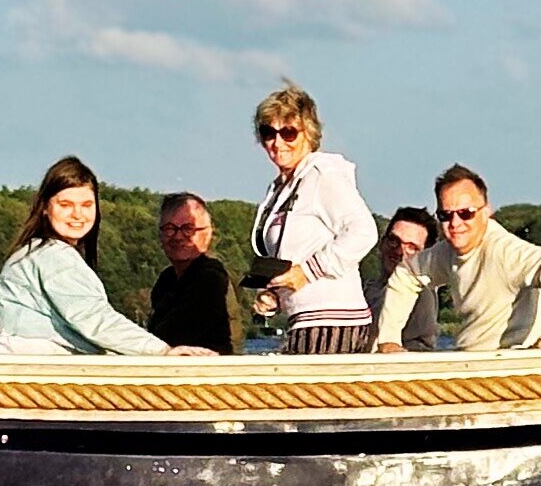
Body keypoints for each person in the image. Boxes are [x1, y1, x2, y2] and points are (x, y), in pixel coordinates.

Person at [0, 157, 214, 356]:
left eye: (86, 205)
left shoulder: (31, 251)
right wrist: (163, 351)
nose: (77, 214)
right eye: (65, 204)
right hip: (16, 371)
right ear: (45, 208)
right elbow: (94, 319)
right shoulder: (52, 256)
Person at [375, 166, 541, 353]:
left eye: (466, 213)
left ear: (486, 212)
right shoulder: (444, 253)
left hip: (511, 361)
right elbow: (406, 275)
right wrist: (389, 339)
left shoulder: (504, 251)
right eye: (445, 215)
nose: (455, 223)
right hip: (468, 361)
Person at [246, 83, 377, 354]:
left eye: (289, 132)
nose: (277, 142)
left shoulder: (323, 175)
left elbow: (364, 231)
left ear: (309, 134)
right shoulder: (281, 188)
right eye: (268, 132)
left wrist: (306, 272)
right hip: (304, 320)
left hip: (334, 321)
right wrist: (276, 295)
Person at [147, 192, 239, 354]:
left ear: (208, 233)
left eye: (188, 229)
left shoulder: (211, 278)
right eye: (170, 229)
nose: (178, 236)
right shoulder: (167, 279)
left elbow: (174, 334)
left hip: (211, 372)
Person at [366, 206, 439, 350]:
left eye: (411, 247)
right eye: (394, 240)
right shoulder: (366, 289)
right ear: (382, 242)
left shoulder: (419, 295)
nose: (399, 251)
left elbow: (420, 350)